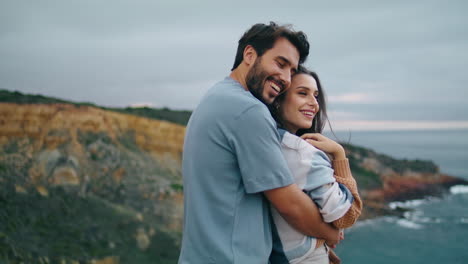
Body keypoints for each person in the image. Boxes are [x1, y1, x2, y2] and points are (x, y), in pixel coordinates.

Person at [178, 22, 341, 264]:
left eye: (291, 70)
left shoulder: (215, 98)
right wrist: (331, 234)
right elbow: (290, 206)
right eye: (280, 63)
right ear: (250, 54)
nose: (285, 78)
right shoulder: (248, 110)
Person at [269, 67, 363, 264]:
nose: (314, 104)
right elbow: (346, 216)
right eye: (302, 93)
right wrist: (339, 155)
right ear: (278, 100)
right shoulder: (302, 153)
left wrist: (321, 237)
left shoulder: (265, 144)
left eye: (316, 96)